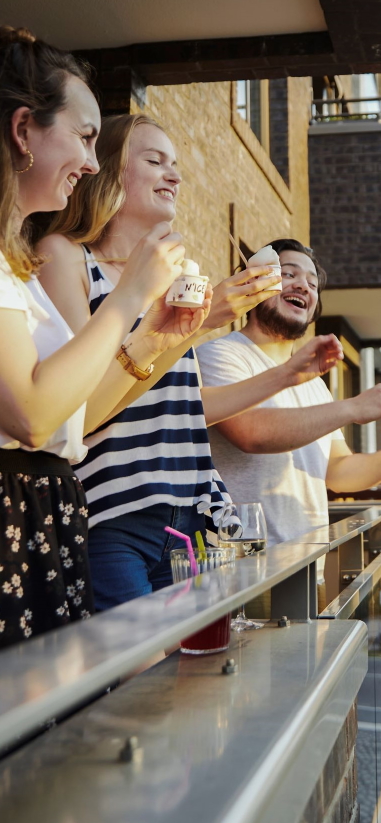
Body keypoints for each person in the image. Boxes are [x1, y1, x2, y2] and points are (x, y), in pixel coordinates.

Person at [35, 114, 341, 610]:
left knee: (194, 674)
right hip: (114, 513)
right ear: (106, 171)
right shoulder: (67, 258)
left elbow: (186, 406)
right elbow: (78, 401)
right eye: (155, 161)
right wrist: (200, 323)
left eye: (176, 164)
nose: (175, 176)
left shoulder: (170, 278)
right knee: (138, 677)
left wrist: (289, 373)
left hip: (193, 516)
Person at [0, 28, 192, 646]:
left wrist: (161, 333)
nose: (90, 160)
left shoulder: (15, 265)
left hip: (41, 518)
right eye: (84, 137)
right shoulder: (47, 259)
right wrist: (132, 298)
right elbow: (33, 413)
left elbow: (71, 414)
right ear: (24, 129)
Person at [197, 239, 381, 547]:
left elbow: (336, 472)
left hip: (309, 566)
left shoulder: (316, 385)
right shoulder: (220, 354)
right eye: (289, 274)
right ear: (254, 282)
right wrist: (351, 409)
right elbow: (251, 432)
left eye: (312, 282)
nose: (303, 286)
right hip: (245, 568)